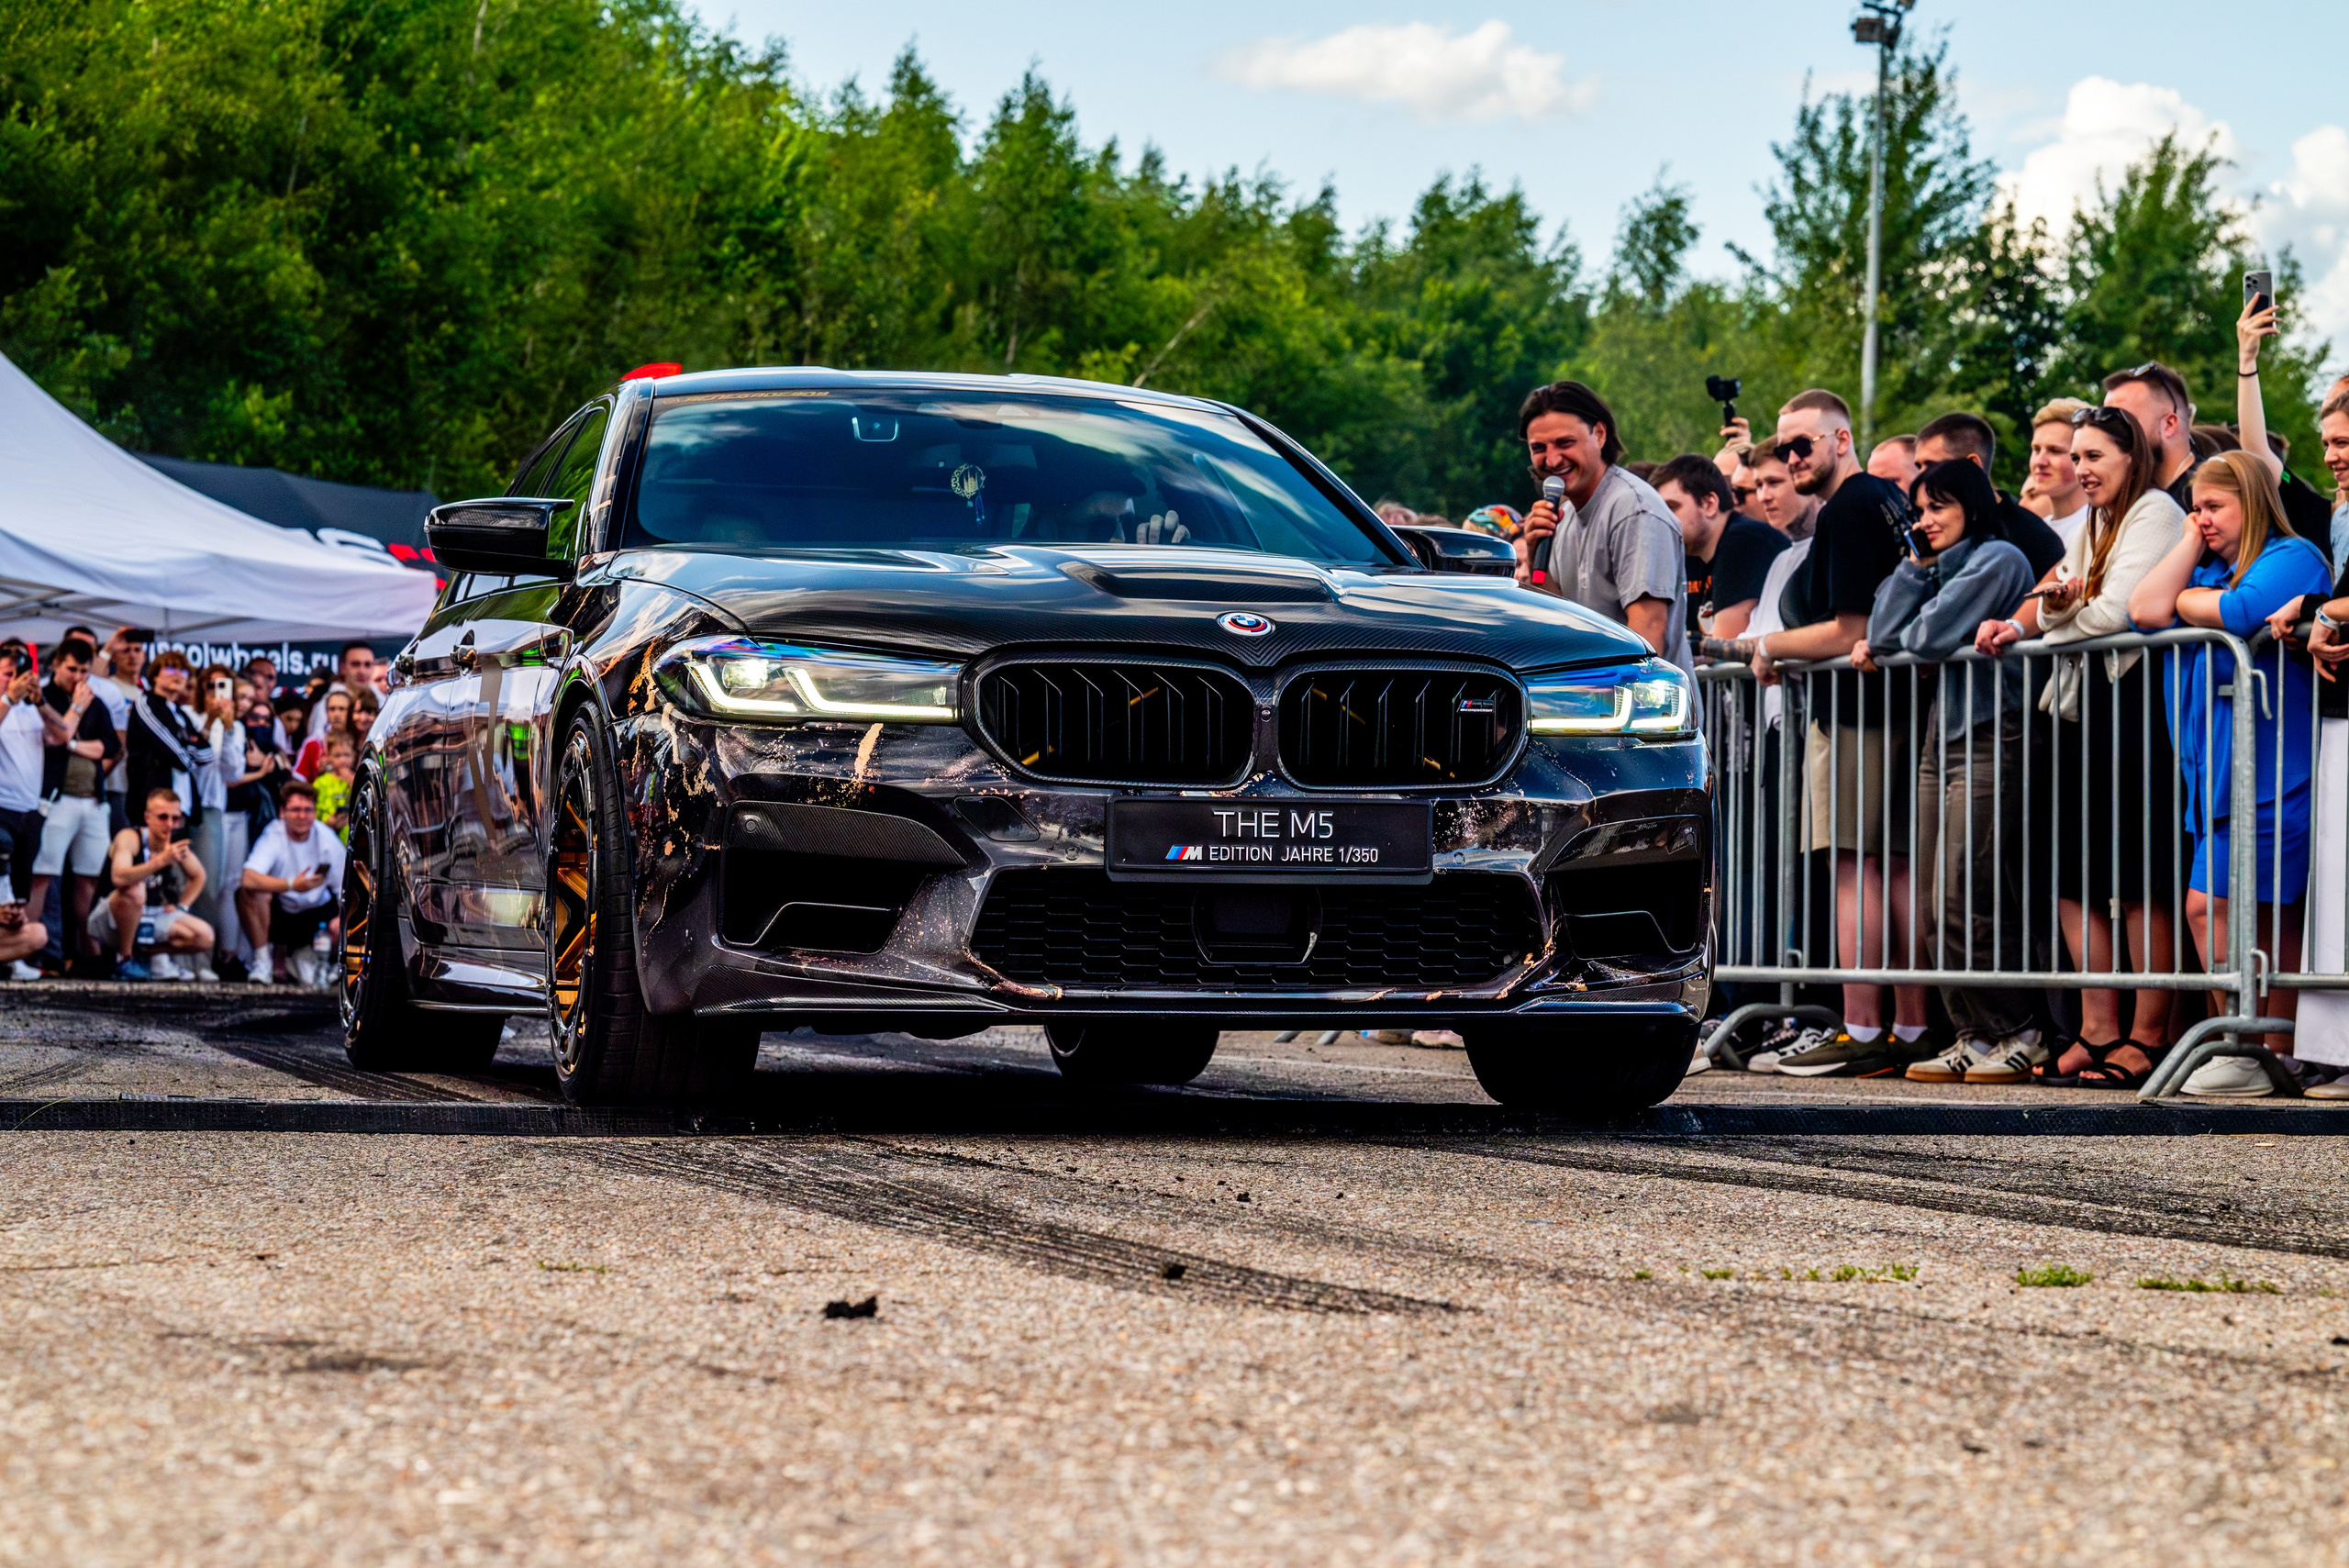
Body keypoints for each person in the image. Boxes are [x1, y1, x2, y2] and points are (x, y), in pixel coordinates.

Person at [1976, 405, 2186, 1089]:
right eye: (2077, 456)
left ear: (2131, 458)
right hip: (2077, 706)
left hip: (2132, 707)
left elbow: (2114, 613)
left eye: (2094, 456)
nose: (2081, 468)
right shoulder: (2095, 521)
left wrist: (2050, 620)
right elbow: (2052, 599)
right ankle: (2097, 1030)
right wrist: (2035, 618)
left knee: (2139, 876)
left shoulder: (2154, 511)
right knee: (2074, 874)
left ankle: (2147, 1035)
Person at [2125, 452, 2333, 1095]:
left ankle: (2265, 1046)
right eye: (2195, 508)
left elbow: (2243, 613)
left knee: (2240, 909)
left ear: (2253, 502)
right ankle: (2252, 1044)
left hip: (2274, 769)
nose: (2203, 519)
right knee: (2236, 910)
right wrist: (2192, 542)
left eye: (2215, 507)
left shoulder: (2292, 556)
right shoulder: (2210, 566)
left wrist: (2191, 601)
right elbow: (2145, 609)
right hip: (2216, 777)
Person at [1747, 389, 1930, 1073]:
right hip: (1895, 706)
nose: (1793, 457)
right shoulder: (1885, 500)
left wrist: (1771, 646)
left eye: (1804, 444)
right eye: (1783, 447)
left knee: (1857, 868)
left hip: (1860, 710)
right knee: (1896, 868)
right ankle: (1908, 1028)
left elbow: (1851, 629)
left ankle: (1862, 1029)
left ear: (1842, 439)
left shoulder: (1851, 507)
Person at [1850, 462, 2043, 1083]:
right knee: (1934, 899)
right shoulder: (1934, 565)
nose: (1925, 522)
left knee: (1969, 889)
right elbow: (1885, 633)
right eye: (1919, 511)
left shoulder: (1998, 558)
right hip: (1945, 737)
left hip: (1992, 731)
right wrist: (1914, 563)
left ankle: (2017, 1030)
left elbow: (1924, 639)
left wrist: (1915, 612)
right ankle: (1972, 1032)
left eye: (1939, 508)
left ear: (1972, 506)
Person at [1513, 381, 1693, 674]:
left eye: (1565, 443)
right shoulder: (1564, 515)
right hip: (1590, 696)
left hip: (1635, 699)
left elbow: (1648, 631)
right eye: (1539, 448)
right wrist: (1535, 554)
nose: (1552, 460)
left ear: (1599, 434)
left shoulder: (1634, 510)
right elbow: (1559, 619)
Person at [28, 636, 122, 971]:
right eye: (72, 669)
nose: (78, 677)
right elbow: (58, 735)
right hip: (56, 797)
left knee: (89, 878)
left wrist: (72, 745)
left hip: (92, 799)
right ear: (56, 664)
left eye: (84, 670)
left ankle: (87, 950)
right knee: (43, 874)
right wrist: (75, 715)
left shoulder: (96, 702)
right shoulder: (43, 697)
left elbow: (109, 747)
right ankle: (29, 946)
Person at [1913, 413, 2065, 580]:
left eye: (1932, 466)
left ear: (1973, 465)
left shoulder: (2029, 539)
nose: (1920, 477)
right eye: (1918, 467)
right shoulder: (1935, 531)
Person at [1654, 452, 1787, 642]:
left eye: (1671, 507)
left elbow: (1725, 646)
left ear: (1709, 504)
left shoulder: (1745, 542)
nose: (1662, 520)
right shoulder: (1689, 551)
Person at [92, 788, 214, 981]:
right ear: (147, 817)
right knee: (135, 889)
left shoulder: (172, 844)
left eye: (175, 818)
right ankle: (125, 959)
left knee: (204, 936)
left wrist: (181, 907)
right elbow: (119, 877)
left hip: (148, 916)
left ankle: (149, 955)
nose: (170, 824)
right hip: (110, 916)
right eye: (163, 817)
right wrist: (160, 861)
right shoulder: (130, 837)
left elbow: (199, 876)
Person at [238, 779, 345, 986]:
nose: (302, 816)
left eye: (308, 810)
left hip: (318, 917)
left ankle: (320, 960)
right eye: (296, 810)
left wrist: (342, 922)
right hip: (282, 914)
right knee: (250, 892)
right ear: (283, 812)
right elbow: (248, 877)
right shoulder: (274, 833)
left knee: (348, 919)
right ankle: (263, 961)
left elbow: (346, 889)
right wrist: (291, 885)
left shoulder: (327, 838)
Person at [126, 651, 214, 836]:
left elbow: (207, 755)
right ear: (155, 676)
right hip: (152, 802)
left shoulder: (181, 714)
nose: (178, 675)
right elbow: (179, 756)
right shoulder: (146, 703)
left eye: (184, 671)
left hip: (182, 805)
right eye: (171, 668)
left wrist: (185, 750)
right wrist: (188, 750)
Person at [2102, 361, 2199, 513]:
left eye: (2124, 420)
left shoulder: (2207, 494)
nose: (2110, 432)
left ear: (2169, 424)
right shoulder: (2128, 496)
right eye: (2107, 422)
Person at [0, 643, 43, 975]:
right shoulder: (8, 703)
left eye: (20, 675)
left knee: (19, 889)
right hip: (2, 805)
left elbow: (62, 736)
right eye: (8, 674)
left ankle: (12, 959)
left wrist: (41, 702)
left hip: (30, 808)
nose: (16, 681)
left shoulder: (31, 708)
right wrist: (8, 699)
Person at [86, 627, 147, 830]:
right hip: (113, 779)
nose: (132, 655)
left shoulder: (147, 692)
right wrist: (108, 647)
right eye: (126, 650)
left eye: (137, 650)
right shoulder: (107, 686)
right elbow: (91, 679)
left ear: (145, 656)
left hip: (139, 781)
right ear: (114, 657)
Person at [2023, 398, 2094, 545]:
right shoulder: (2034, 532)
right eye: (2036, 449)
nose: (2040, 461)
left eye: (2055, 451)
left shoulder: (2100, 528)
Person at [295, 689, 353, 780]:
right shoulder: (313, 744)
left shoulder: (359, 742)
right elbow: (300, 779)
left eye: (342, 709)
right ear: (326, 712)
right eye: (332, 709)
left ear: (351, 712)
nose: (336, 714)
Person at [314, 734, 357, 838]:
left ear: (354, 756)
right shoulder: (321, 782)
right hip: (327, 834)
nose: (342, 760)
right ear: (329, 757)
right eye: (337, 756)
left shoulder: (358, 780)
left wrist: (352, 783)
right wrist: (328, 822)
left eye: (347, 755)